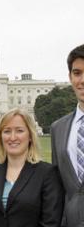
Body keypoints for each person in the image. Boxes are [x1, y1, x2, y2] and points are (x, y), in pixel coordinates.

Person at [0, 108, 64, 227]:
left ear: (30, 136)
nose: (12, 137)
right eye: (7, 131)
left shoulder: (47, 173)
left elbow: (51, 222)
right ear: (0, 136)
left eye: (19, 131)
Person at [51, 44, 84, 227]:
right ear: (70, 77)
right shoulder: (58, 128)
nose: (82, 80)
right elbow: (58, 186)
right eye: (77, 73)